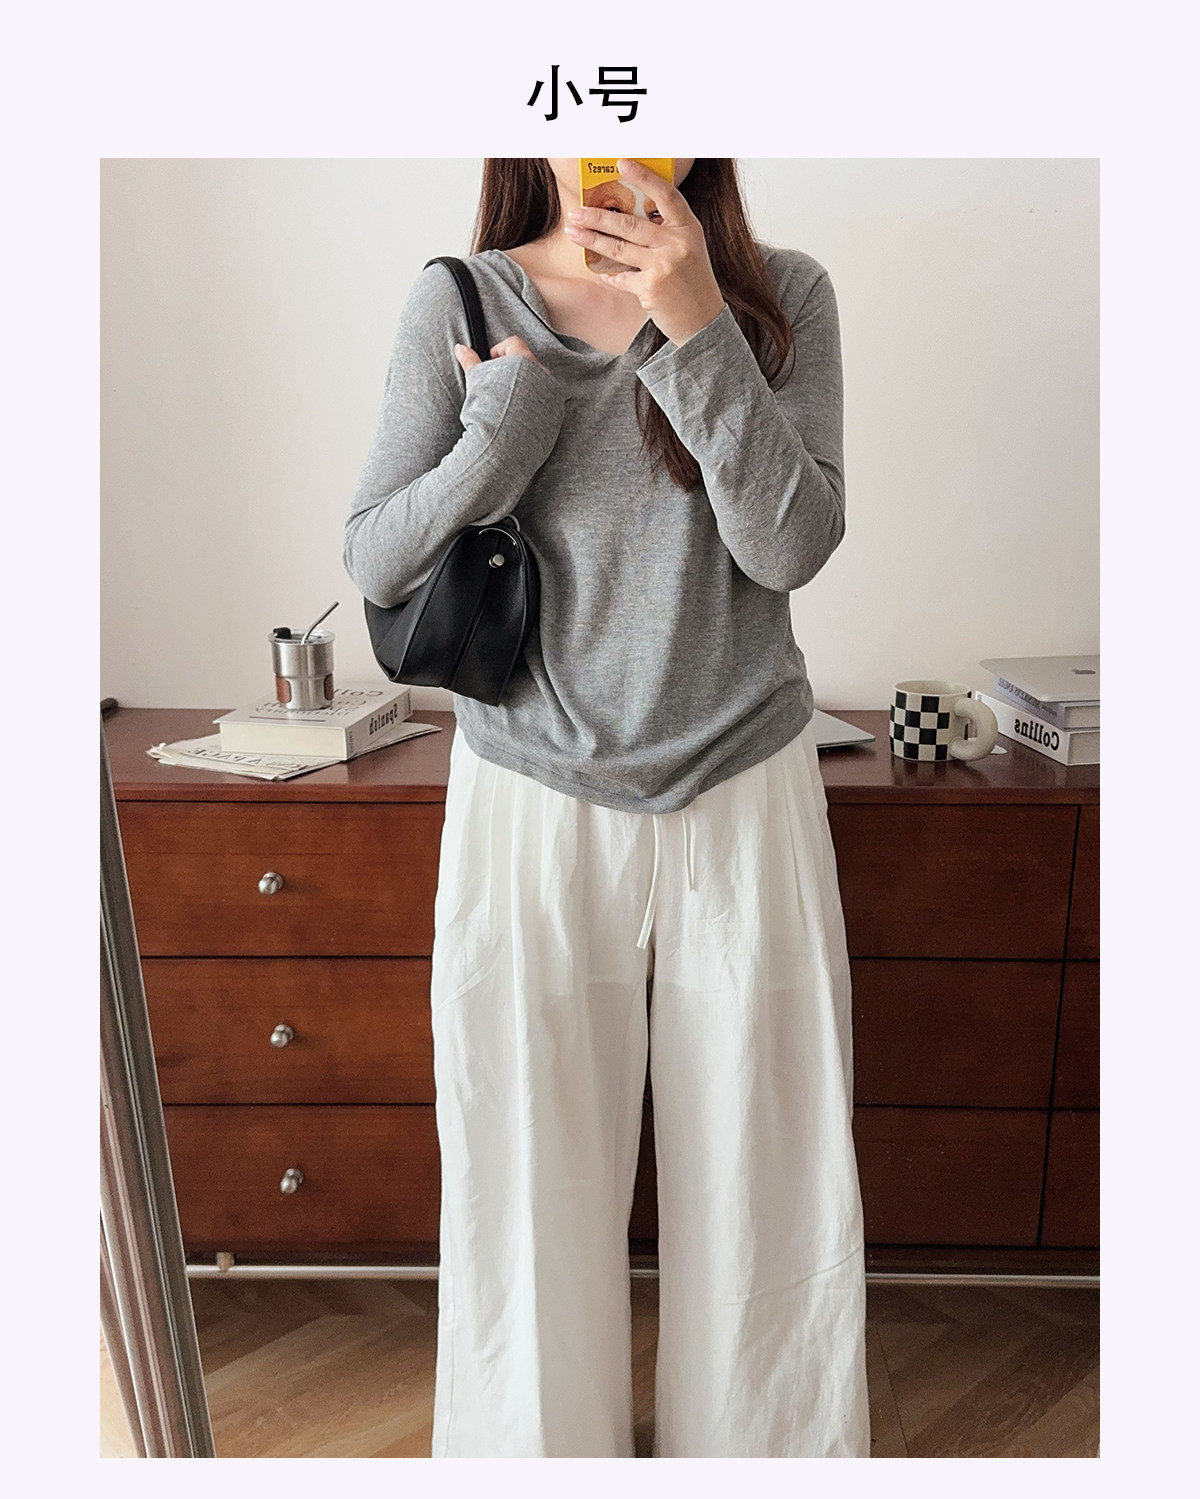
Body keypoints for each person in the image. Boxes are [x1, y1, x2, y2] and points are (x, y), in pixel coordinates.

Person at [343, 157, 870, 1459]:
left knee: (770, 1181)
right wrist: (500, 432)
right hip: (529, 800)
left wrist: (697, 324)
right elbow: (377, 557)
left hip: (741, 789)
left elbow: (791, 546)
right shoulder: (462, 299)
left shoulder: (782, 296)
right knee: (524, 1183)